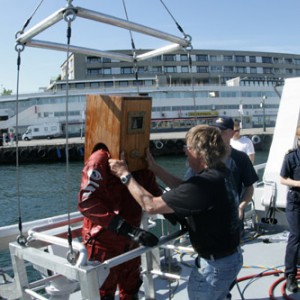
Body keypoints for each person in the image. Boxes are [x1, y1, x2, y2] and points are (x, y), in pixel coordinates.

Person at [109, 125, 243, 300]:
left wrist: (124, 175)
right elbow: (185, 188)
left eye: (187, 148)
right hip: (230, 258)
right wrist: (155, 169)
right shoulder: (220, 172)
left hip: (215, 266)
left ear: (198, 152)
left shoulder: (205, 184)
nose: (184, 151)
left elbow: (150, 205)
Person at [78, 142, 162, 300]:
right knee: (104, 293)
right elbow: (87, 204)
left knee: (131, 288)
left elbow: (152, 190)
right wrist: (128, 230)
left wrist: (176, 213)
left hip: (131, 240)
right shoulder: (99, 160)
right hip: (104, 241)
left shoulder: (140, 156)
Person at [279, 126, 300, 293]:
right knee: (296, 235)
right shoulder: (291, 157)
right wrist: (298, 183)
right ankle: (290, 274)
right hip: (296, 201)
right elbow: (283, 178)